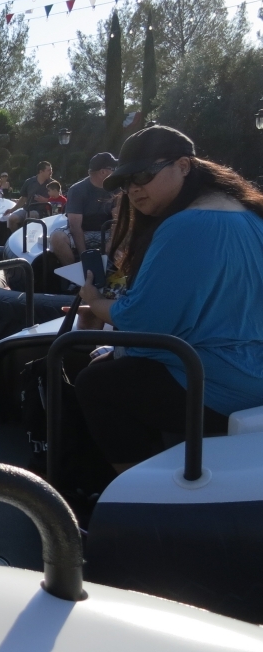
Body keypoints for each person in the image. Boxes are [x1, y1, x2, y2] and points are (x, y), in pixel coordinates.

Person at [67, 126, 263, 486]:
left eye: (143, 175)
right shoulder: (250, 216)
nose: (133, 188)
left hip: (220, 384)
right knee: (111, 362)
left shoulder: (185, 225)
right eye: (125, 182)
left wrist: (94, 302)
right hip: (252, 371)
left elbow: (143, 323)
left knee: (95, 383)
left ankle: (144, 494)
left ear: (185, 165)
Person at [49, 152, 118, 267]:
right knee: (56, 238)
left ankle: (117, 273)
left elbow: (118, 219)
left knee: (132, 233)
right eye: (114, 169)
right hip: (83, 232)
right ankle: (75, 275)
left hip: (107, 232)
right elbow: (75, 226)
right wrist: (85, 257)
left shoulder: (116, 188)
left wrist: (111, 243)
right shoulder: (77, 190)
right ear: (103, 172)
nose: (116, 171)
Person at [6, 161, 54, 232]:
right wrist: (12, 210)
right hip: (27, 209)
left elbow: (59, 200)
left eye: (51, 170)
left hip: (43, 211)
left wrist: (46, 200)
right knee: (12, 219)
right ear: (41, 172)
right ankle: (16, 238)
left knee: (30, 216)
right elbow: (23, 199)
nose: (51, 172)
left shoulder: (53, 184)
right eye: (48, 170)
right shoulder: (29, 182)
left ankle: (28, 239)